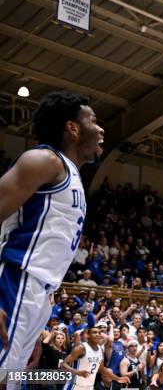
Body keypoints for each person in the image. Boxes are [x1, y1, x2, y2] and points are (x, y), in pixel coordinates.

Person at [0, 91, 104, 382]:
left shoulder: (71, 176)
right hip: (16, 281)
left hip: (37, 295)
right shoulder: (44, 161)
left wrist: (35, 329)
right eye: (94, 122)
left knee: (11, 382)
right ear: (73, 128)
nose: (101, 129)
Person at [61, 326, 129, 390]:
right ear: (88, 335)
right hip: (74, 386)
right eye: (94, 332)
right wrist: (77, 372)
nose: (97, 334)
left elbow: (101, 369)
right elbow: (63, 364)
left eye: (99, 333)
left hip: (89, 387)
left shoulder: (100, 350)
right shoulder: (81, 348)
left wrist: (118, 379)